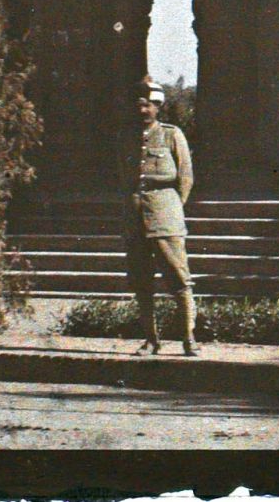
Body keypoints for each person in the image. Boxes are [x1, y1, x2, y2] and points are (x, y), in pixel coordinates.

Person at [124, 80, 196, 355]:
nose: (142, 110)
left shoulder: (170, 135)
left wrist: (173, 207)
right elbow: (125, 175)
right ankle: (151, 338)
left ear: (157, 107)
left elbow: (185, 177)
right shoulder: (126, 137)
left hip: (166, 214)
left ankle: (188, 337)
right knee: (141, 280)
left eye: (148, 105)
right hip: (135, 216)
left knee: (178, 277)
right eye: (138, 106)